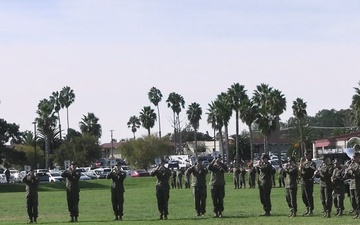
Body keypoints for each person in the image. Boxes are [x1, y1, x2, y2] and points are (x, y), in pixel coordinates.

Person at [344, 145, 360, 218]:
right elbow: (349, 176)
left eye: (354, 157)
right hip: (352, 184)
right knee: (352, 200)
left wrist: (351, 170)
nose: (353, 159)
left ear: (358, 157)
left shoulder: (358, 165)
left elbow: (358, 173)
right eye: (353, 157)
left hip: (358, 184)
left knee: (358, 200)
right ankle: (356, 212)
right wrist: (347, 172)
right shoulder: (352, 164)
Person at [299, 150, 316, 216]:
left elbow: (312, 169)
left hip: (308, 181)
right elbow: (300, 170)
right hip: (303, 181)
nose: (306, 155)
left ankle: (311, 210)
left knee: (309, 196)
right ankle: (307, 208)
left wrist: (305, 167)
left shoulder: (312, 163)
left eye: (307, 154)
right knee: (303, 196)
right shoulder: (303, 163)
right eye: (305, 154)